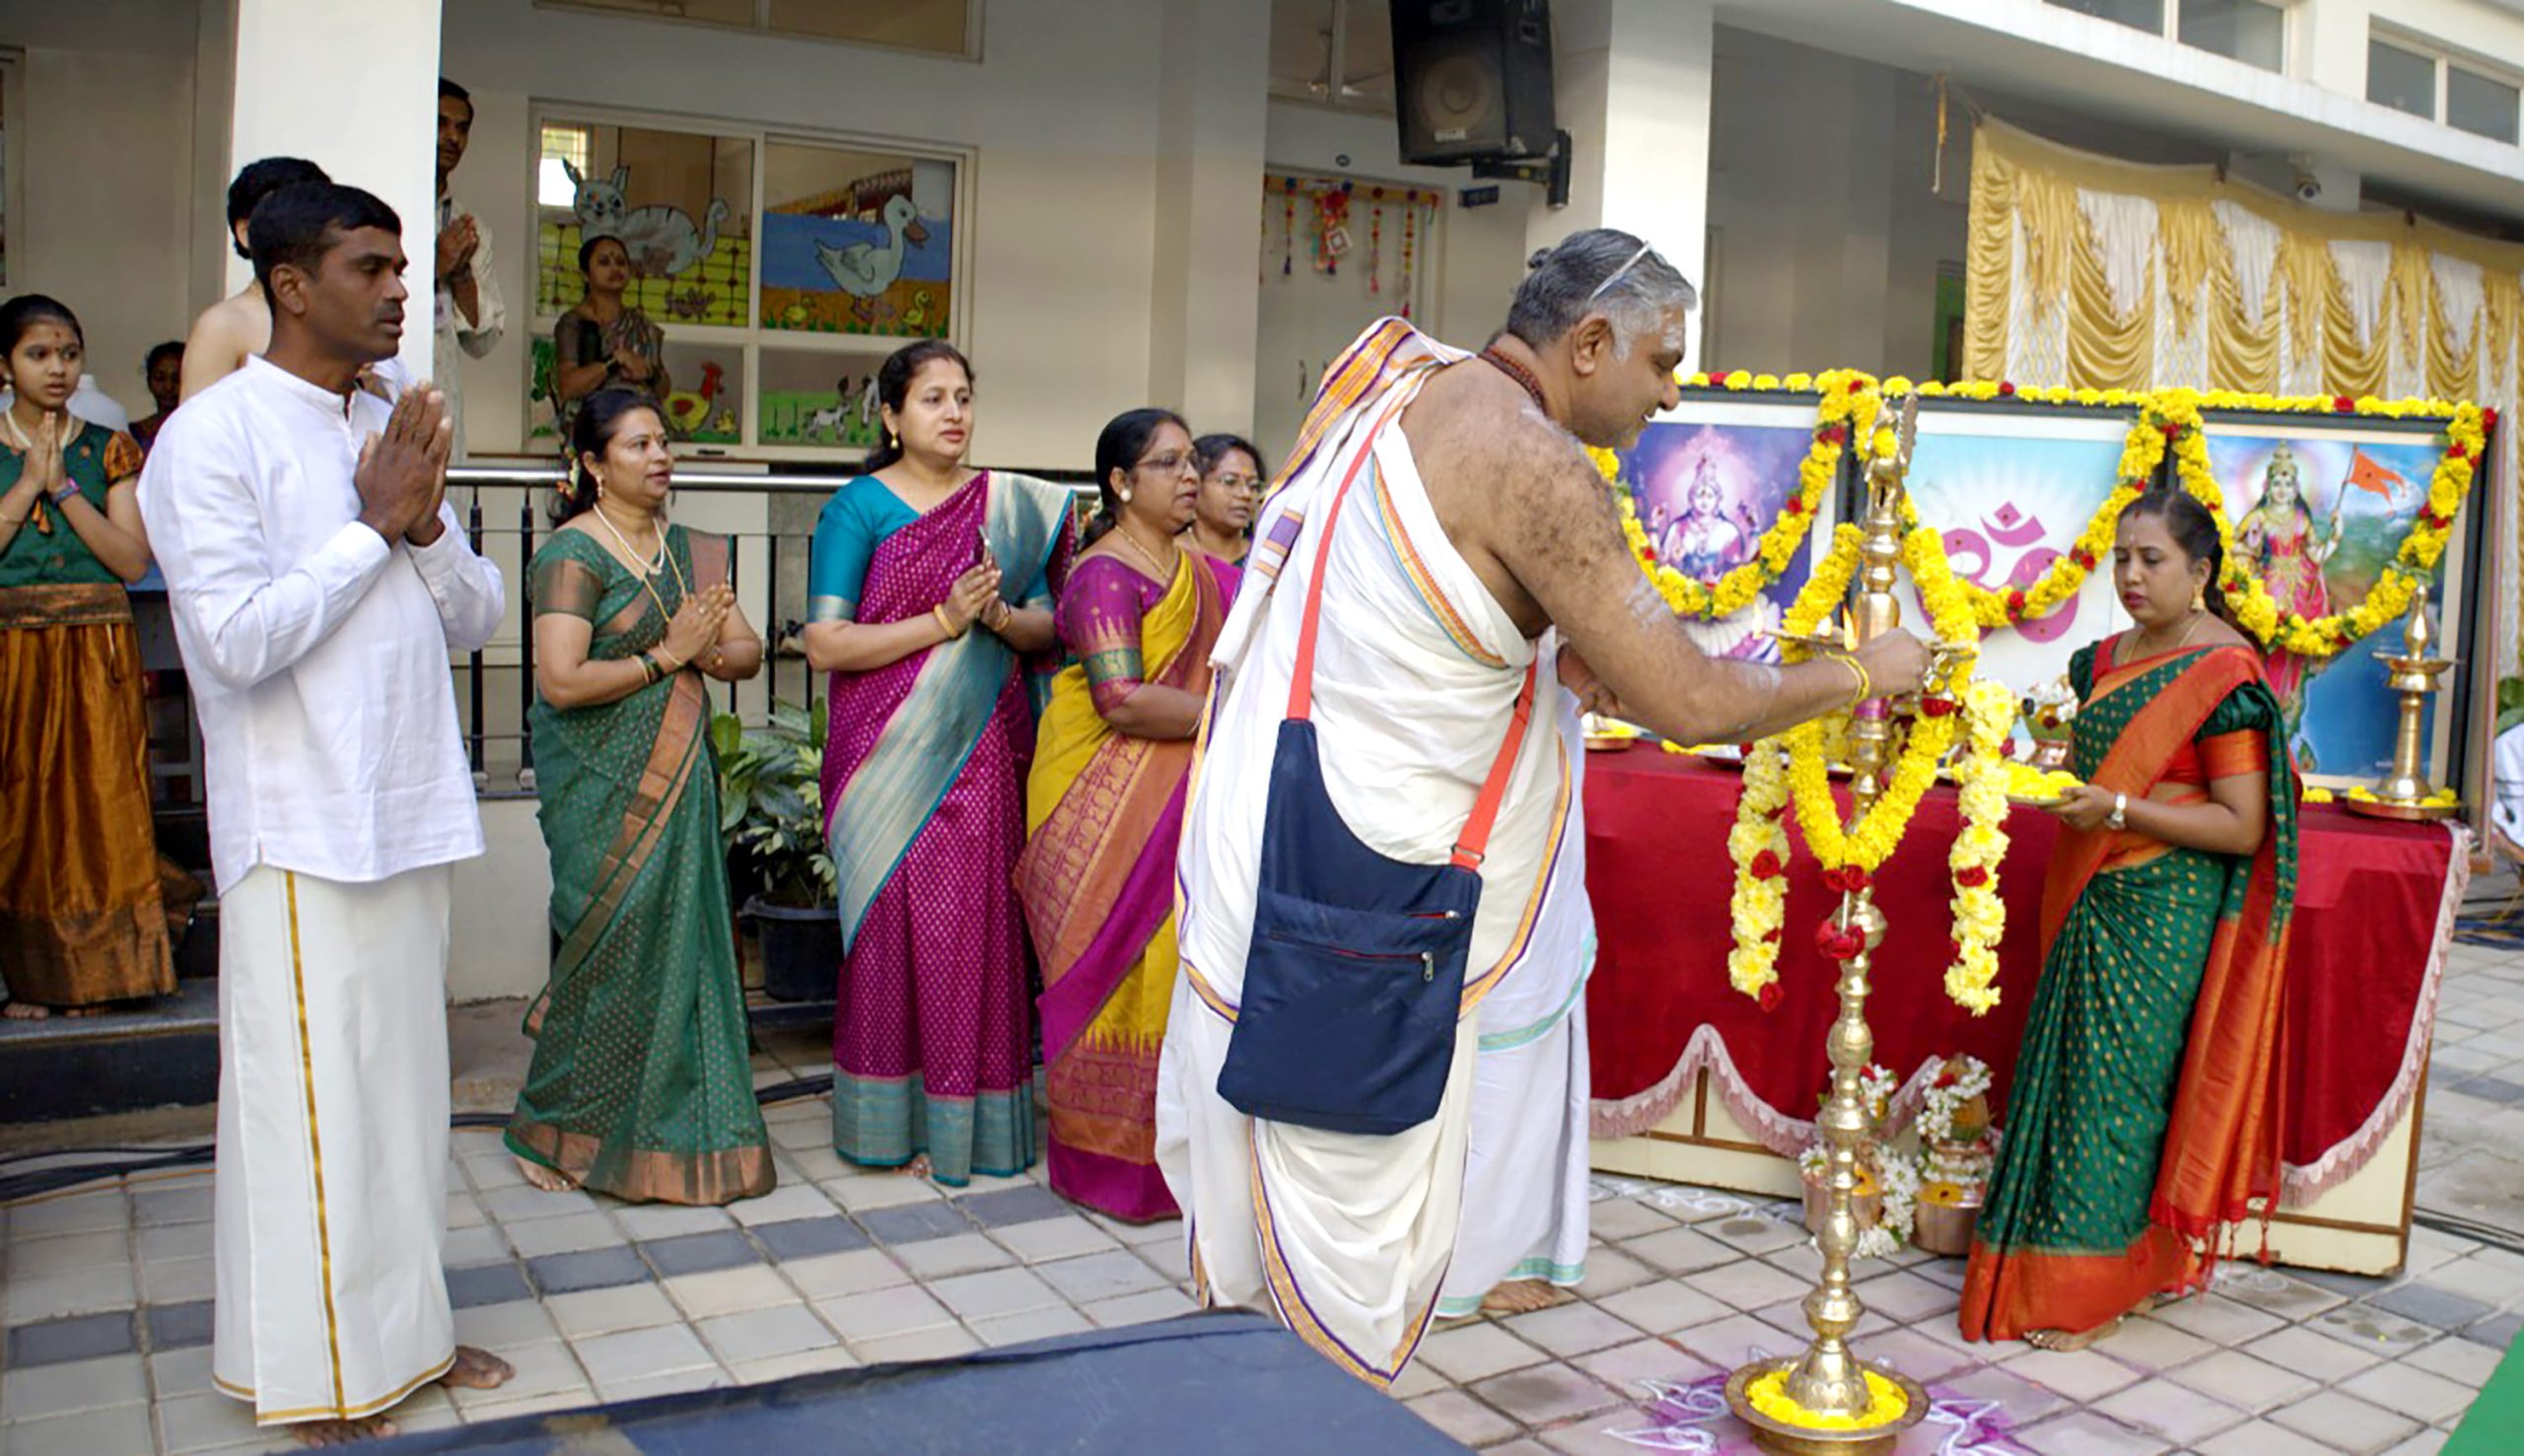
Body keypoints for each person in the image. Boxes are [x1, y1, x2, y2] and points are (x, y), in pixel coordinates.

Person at [1156, 230, 1929, 1383]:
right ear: (1588, 341)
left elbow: (1420, 615)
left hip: (1267, 836)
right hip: (1367, 878)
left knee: (1273, 1175)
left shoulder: (1398, 379)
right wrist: (1865, 672)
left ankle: (1252, 1389)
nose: (1672, 392)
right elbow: (1692, 697)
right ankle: (1300, 1405)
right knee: (1338, 1192)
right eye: (1662, 363)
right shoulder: (1535, 462)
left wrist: (1541, 665)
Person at [138, 181, 514, 1440]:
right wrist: (370, 525)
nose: (401, 288)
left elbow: (476, 616)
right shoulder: (214, 434)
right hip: (300, 825)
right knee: (310, 1110)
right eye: (371, 266)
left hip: (409, 810)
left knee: (403, 1102)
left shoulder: (389, 421)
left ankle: (404, 1332)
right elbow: (237, 645)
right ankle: (317, 1372)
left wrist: (419, 524)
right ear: (292, 285)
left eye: (403, 266)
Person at [1960, 488, 2297, 1352]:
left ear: (2202, 572)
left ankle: (2097, 1289)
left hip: (2163, 908)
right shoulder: (2106, 657)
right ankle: (2067, 1271)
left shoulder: (2224, 676)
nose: (2132, 575)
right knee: (2075, 1085)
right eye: (2122, 559)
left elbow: (2242, 825)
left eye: (2153, 560)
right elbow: (2101, 764)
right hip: (2091, 893)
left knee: (2123, 1098)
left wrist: (2115, 810)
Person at [804, 339, 1076, 1186]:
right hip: (883, 757)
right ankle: (890, 1125)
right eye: (932, 398)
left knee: (977, 927)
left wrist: (992, 614)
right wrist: (942, 621)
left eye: (963, 396)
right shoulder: (858, 508)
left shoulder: (1009, 509)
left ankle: (978, 1123)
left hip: (982, 748)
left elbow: (1048, 626)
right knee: (893, 927)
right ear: (891, 416)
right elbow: (825, 641)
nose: (953, 412)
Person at [502, 388, 772, 1203]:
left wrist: (712, 652)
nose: (660, 457)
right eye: (638, 445)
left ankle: (684, 1128)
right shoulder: (573, 556)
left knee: (685, 948)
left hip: (680, 775)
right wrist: (669, 655)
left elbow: (746, 649)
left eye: (664, 442)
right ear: (592, 464)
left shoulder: (693, 548)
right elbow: (560, 679)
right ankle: (552, 1126)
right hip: (600, 781)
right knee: (610, 953)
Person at [1016, 409, 1236, 1221]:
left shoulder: (1203, 571)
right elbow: (1122, 699)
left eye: (1193, 463)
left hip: (1181, 797)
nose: (1190, 476)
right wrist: (1231, 708)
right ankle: (1109, 1165)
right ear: (1120, 483)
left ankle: (1181, 1157)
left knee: (1180, 970)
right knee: (1114, 975)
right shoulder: (1104, 575)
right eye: (1169, 463)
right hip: (1099, 799)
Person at [0, 295, 175, 1019]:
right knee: (18, 810)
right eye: (39, 354)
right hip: (12, 649)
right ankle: (26, 980)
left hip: (96, 647)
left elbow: (132, 559)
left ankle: (96, 979)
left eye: (68, 353)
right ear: (4, 365)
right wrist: (25, 485)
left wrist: (64, 488)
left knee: (101, 808)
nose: (57, 368)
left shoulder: (108, 449)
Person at [179, 157, 330, 402]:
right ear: (245, 233)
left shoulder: (340, 315)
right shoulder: (223, 325)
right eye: (292, 220)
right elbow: (197, 432)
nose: (308, 233)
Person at [2233, 445, 2335, 747]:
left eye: (2287, 483)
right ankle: (2262, 714)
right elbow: (2238, 551)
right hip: (2268, 590)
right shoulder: (2259, 517)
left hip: (2300, 591)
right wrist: (2251, 545)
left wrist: (2337, 536)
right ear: (2267, 487)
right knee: (2268, 653)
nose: (2282, 489)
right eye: (2276, 482)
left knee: (2294, 660)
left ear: (2296, 489)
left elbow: (2316, 556)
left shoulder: (2302, 520)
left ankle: (2287, 723)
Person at [434, 78, 505, 461]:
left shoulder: (467, 223)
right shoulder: (380, 209)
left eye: (462, 129)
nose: (452, 138)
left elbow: (482, 342)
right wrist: (434, 264)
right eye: (441, 124)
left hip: (442, 391)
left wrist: (459, 274)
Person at [551, 236, 666, 442]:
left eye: (621, 262)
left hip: (639, 433)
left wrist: (649, 372)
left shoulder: (642, 325)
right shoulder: (574, 324)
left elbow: (663, 389)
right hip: (592, 433)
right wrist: (614, 362)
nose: (615, 268)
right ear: (585, 274)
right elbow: (568, 386)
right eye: (604, 262)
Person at [1181, 432, 1265, 566]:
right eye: (1230, 481)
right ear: (1193, 487)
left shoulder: (1266, 560)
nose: (1246, 494)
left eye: (1253, 485)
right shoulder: (1169, 556)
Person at [133, 341, 185, 451]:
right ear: (149, 381)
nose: (168, 387)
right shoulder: (134, 434)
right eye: (159, 378)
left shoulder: (202, 429)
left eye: (177, 379)